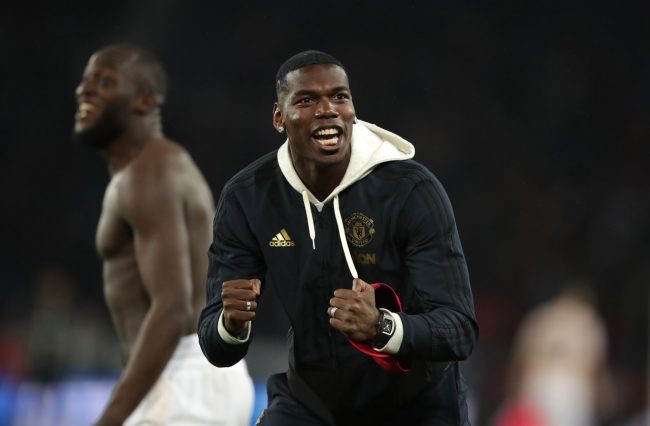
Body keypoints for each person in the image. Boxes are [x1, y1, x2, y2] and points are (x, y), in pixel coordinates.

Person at [198, 50, 478, 425]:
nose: (328, 109)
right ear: (279, 118)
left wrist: (382, 326)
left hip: (415, 405)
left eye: (339, 96)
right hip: (312, 403)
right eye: (306, 100)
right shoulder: (248, 197)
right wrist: (231, 324)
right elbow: (216, 346)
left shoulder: (410, 190)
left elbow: (459, 329)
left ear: (352, 110)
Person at [73, 44, 254, 426]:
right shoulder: (154, 167)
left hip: (182, 377)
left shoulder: (150, 170)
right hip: (190, 375)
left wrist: (110, 419)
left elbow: (172, 308)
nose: (84, 89)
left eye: (104, 81)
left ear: (144, 100)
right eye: (86, 80)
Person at [492, 284, 613, 426]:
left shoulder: (539, 316)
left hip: (536, 384)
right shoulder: (589, 319)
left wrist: (511, 393)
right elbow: (597, 370)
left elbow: (518, 362)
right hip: (573, 389)